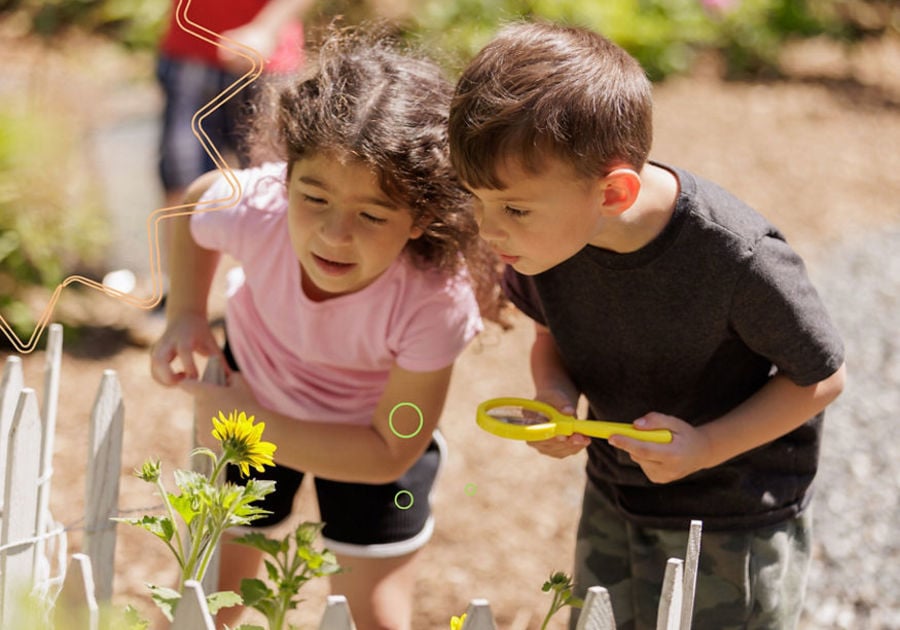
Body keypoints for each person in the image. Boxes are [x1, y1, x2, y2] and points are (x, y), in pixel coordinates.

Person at [448, 20, 846, 630]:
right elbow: (550, 332)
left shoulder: (738, 259)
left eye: (512, 208)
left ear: (612, 193)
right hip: (615, 498)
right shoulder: (542, 242)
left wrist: (708, 445)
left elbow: (820, 378)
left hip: (732, 518)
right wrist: (554, 395)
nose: (488, 228)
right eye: (476, 200)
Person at [150, 27, 506, 630]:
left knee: (372, 614)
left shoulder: (433, 302)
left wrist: (248, 423)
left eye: (372, 214)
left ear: (421, 216)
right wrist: (185, 308)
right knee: (210, 599)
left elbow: (390, 452)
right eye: (313, 199)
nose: (335, 235)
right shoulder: (259, 210)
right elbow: (193, 204)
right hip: (256, 393)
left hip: (359, 439)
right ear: (286, 180)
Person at [156, 0, 313, 210]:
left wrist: (267, 28)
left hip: (270, 63)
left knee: (273, 189)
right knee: (182, 178)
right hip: (189, 57)